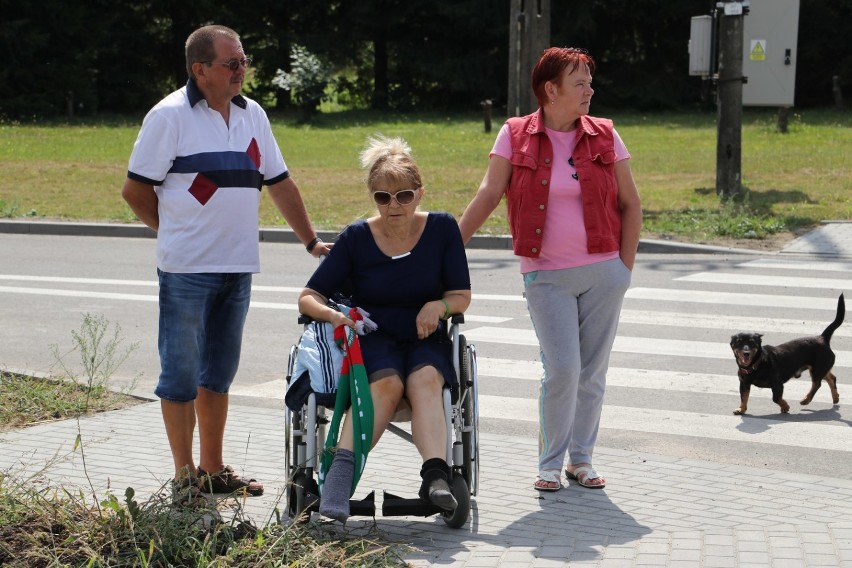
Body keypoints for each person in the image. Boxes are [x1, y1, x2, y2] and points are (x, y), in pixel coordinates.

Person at [121, 24, 331, 505]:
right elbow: (135, 191)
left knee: (218, 374)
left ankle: (212, 470)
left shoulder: (252, 114)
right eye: (230, 63)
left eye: (243, 61)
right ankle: (183, 478)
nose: (241, 70)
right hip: (186, 271)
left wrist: (312, 241)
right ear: (200, 70)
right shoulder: (169, 116)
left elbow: (279, 183)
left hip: (238, 267)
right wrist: (173, 232)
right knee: (179, 374)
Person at [458, 47, 642, 492]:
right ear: (550, 90)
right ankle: (549, 461)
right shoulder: (515, 134)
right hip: (547, 276)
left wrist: (624, 269)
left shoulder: (605, 135)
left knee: (592, 374)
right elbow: (488, 194)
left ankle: (581, 459)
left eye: (589, 82)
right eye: (580, 83)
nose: (589, 91)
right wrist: (447, 249)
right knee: (562, 370)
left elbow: (630, 204)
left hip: (603, 272)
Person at [298, 135, 472, 522]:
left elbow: (461, 295)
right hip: (373, 337)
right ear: (372, 196)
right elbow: (309, 296)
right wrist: (334, 317)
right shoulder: (357, 238)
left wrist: (439, 305)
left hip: (426, 336)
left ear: (420, 193)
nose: (394, 206)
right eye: (383, 197)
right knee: (387, 385)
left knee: (426, 379)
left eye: (404, 196)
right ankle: (338, 485)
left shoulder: (443, 229)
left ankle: (436, 479)